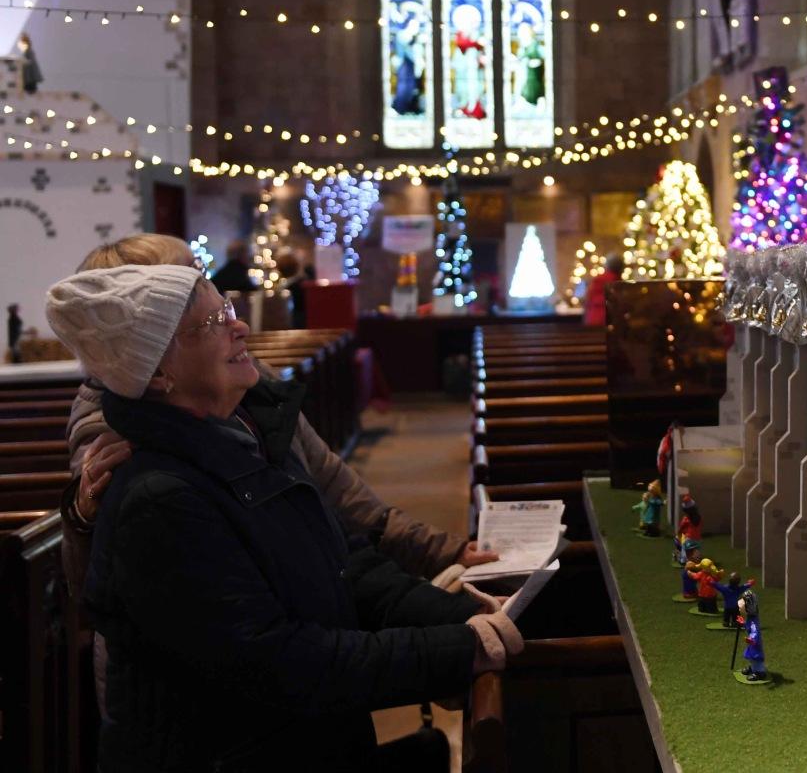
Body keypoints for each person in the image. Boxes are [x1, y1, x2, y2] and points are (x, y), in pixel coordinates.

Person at [46, 264, 526, 770]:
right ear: (158, 372)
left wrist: (460, 618)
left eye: (228, 309)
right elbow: (280, 662)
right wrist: (454, 650)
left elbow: (347, 567)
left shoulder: (246, 439)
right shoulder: (159, 500)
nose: (240, 327)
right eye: (212, 323)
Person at [64, 234, 497, 606]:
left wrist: (444, 552)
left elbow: (336, 495)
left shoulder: (254, 386)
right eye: (190, 292)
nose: (237, 325)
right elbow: (106, 585)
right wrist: (80, 516)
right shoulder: (115, 431)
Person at [583, 252, 624, 327]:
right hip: (612, 321)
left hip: (595, 319)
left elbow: (588, 298)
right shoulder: (620, 282)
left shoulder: (598, 279)